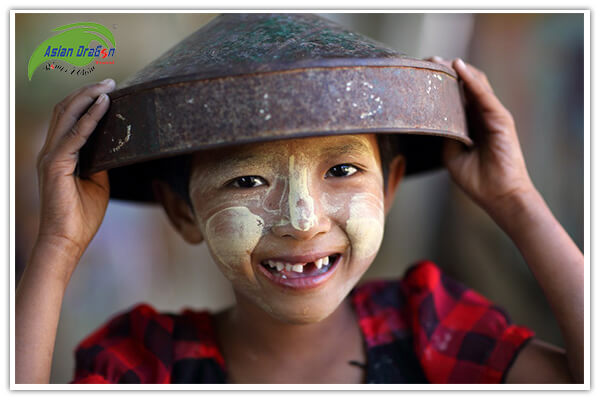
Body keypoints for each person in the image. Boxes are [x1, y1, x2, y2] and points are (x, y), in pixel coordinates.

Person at [15, 55, 583, 384]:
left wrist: (516, 201)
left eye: (340, 169)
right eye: (246, 181)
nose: (302, 221)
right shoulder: (145, 363)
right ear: (181, 212)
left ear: (388, 189)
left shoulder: (429, 324)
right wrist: (58, 246)